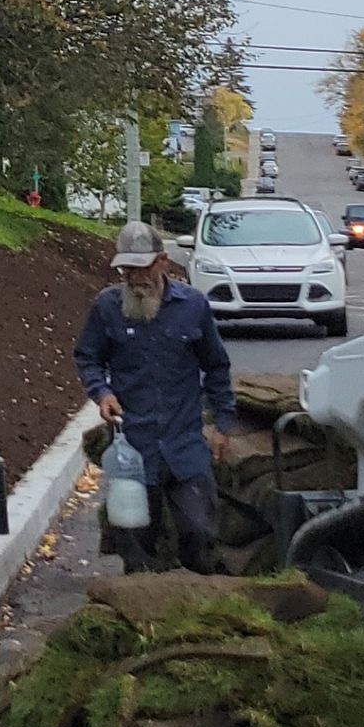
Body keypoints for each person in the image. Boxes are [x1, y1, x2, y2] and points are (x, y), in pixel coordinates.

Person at [73, 221, 238, 573]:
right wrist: (102, 392)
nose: (135, 277)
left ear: (163, 261)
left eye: (142, 267)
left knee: (198, 531)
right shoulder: (107, 307)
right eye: (127, 269)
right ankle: (140, 593)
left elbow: (216, 366)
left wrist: (222, 425)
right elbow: (87, 357)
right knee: (135, 541)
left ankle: (197, 592)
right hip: (134, 447)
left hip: (184, 444)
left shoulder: (193, 306)